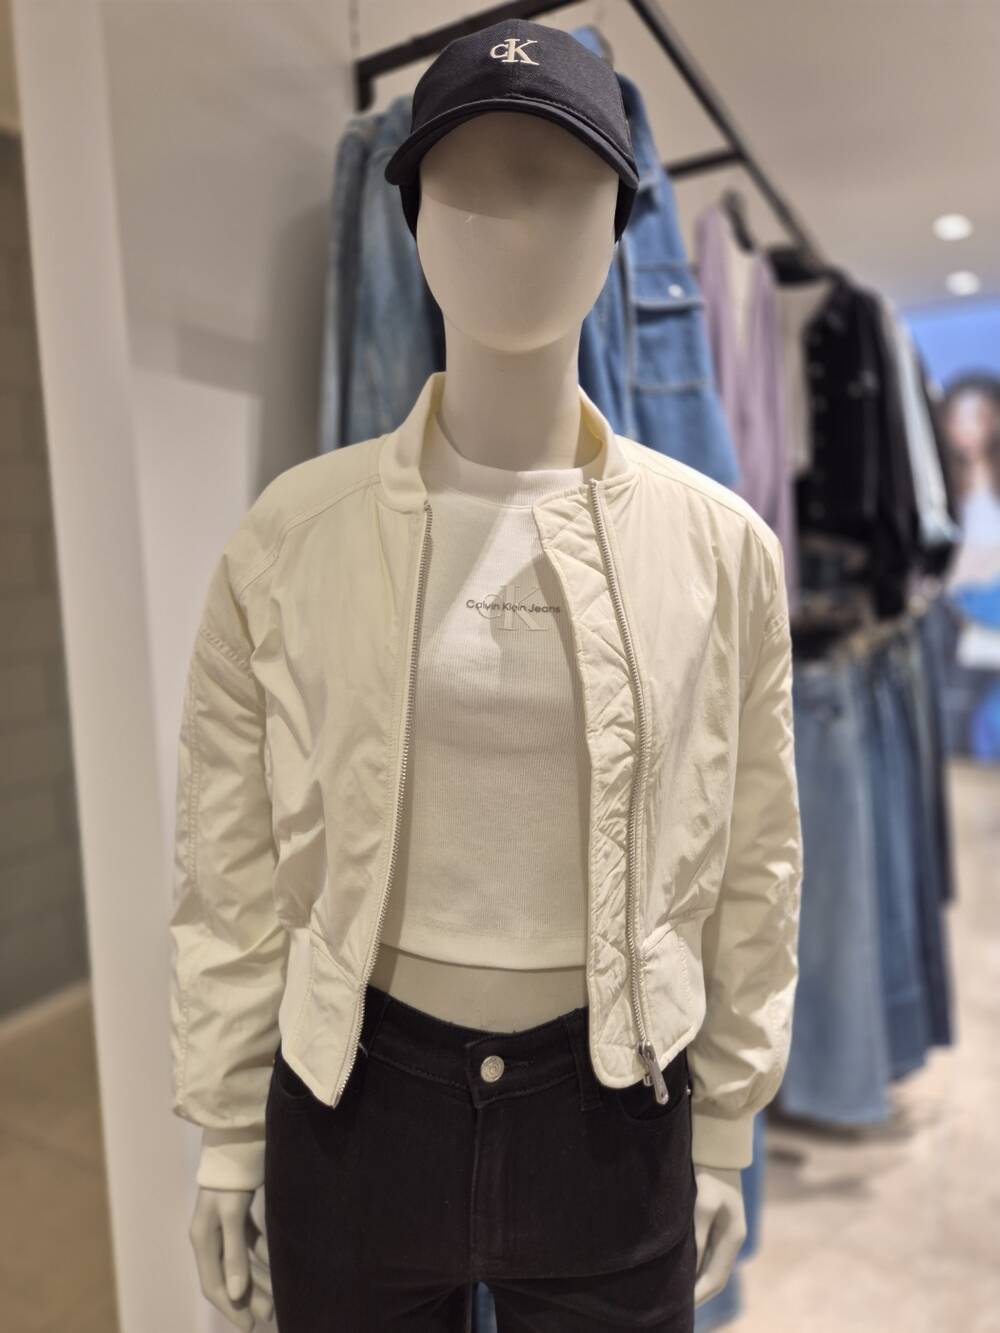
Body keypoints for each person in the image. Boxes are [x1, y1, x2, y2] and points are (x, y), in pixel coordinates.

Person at [170, 20, 803, 1332]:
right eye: (468, 184)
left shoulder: (718, 547)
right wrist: (229, 1128)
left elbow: (756, 852)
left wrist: (730, 1113)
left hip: (615, 1100)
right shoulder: (294, 536)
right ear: (410, 225)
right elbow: (229, 863)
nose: (514, 223)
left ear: (620, 226)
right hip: (353, 1097)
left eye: (560, 183)